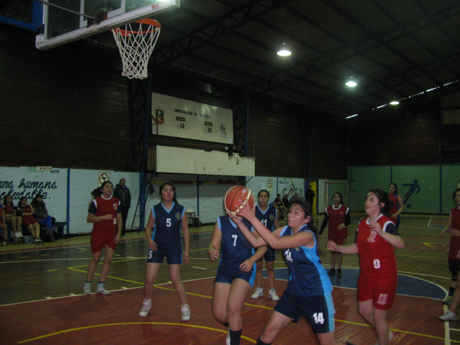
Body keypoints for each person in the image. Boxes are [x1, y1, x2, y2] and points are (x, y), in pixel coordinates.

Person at [233, 200, 354, 345]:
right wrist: (240, 222)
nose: (290, 214)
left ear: (306, 219)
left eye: (296, 212)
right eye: (290, 211)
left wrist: (252, 218)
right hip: (294, 292)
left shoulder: (307, 235)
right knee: (268, 331)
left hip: (316, 293)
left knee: (328, 343)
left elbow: (275, 243)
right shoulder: (284, 230)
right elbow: (256, 241)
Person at [327, 189, 404, 345]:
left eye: (371, 200)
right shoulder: (362, 223)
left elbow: (400, 243)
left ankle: (383, 340)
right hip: (366, 276)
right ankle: (385, 333)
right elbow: (357, 246)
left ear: (381, 205)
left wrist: (381, 233)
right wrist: (339, 248)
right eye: (367, 199)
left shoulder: (386, 223)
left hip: (384, 277)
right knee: (363, 310)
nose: (366, 202)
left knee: (378, 317)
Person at [209, 208, 267, 345]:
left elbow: (263, 246)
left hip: (244, 268)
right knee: (219, 314)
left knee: (233, 308)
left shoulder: (250, 222)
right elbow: (213, 244)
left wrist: (252, 259)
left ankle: (235, 339)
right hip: (225, 269)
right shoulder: (221, 221)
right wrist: (212, 250)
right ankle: (233, 327)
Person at [139, 182, 191, 322]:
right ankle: (146, 302)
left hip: (174, 248)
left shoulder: (181, 209)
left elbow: (185, 229)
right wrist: (149, 239)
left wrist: (186, 249)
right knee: (149, 279)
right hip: (157, 247)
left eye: (171, 190)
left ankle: (185, 307)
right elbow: (148, 228)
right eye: (165, 190)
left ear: (174, 193)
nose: (168, 192)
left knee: (175, 279)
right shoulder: (155, 209)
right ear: (161, 193)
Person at [83, 181, 122, 295]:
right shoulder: (96, 202)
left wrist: (118, 233)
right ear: (102, 189)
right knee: (95, 259)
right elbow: (89, 219)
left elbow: (119, 219)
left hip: (111, 234)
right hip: (98, 233)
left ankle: (101, 285)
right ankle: (87, 283)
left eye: (111, 187)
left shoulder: (116, 202)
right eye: (107, 187)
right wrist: (103, 217)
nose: (109, 189)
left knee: (108, 259)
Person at [251, 190, 280, 301]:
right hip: (257, 243)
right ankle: (259, 289)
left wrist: (281, 239)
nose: (263, 198)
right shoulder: (254, 211)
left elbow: (277, 227)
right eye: (261, 196)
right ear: (258, 198)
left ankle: (272, 290)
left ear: (268, 198)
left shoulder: (274, 211)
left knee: (270, 266)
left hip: (269, 243)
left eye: (265, 196)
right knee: (258, 266)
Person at [319, 192, 351, 278]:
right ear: (332, 198)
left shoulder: (345, 209)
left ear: (341, 199)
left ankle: (339, 269)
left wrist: (344, 223)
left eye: (338, 197)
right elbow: (325, 221)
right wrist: (320, 232)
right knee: (333, 251)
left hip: (341, 233)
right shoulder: (328, 209)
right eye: (335, 197)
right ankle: (332, 269)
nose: (336, 198)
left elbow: (349, 221)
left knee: (339, 251)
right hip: (331, 233)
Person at [440, 188, 460, 306]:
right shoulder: (453, 211)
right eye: (456, 196)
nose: (458, 198)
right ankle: (451, 294)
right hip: (454, 245)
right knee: (453, 270)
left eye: (459, 195)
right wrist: (445, 229)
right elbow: (449, 225)